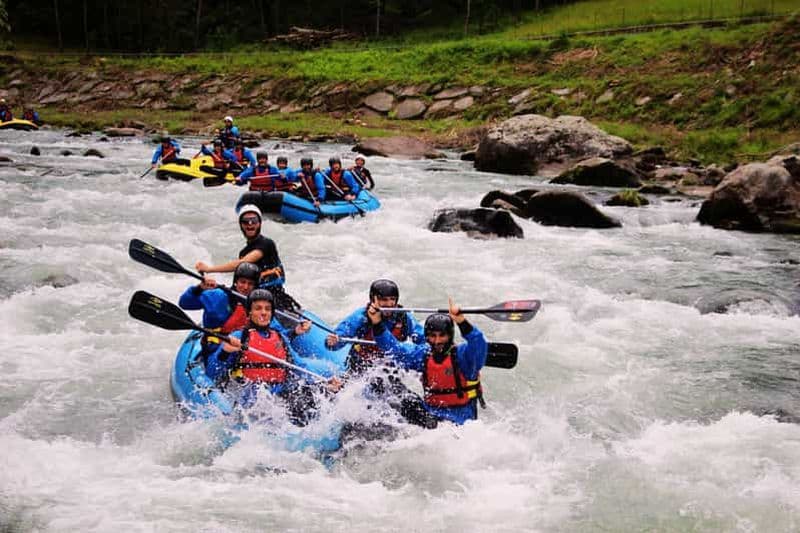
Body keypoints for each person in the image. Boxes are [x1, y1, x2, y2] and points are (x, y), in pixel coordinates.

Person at [207, 289, 337, 425]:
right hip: (255, 401)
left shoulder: (280, 337)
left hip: (280, 395)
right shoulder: (239, 337)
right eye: (258, 308)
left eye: (267, 309)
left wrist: (323, 383)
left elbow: (299, 367)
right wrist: (225, 352)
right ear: (249, 312)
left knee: (321, 396)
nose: (263, 312)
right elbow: (212, 372)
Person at [367, 298, 487, 426]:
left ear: (450, 335)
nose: (437, 341)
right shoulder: (424, 354)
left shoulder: (464, 356)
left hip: (460, 420)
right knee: (396, 393)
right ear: (426, 336)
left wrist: (462, 322)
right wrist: (377, 323)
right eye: (432, 336)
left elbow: (478, 343)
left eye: (442, 335)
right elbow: (395, 349)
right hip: (430, 414)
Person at [195, 204, 298, 311]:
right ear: (240, 224)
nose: (250, 224)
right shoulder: (243, 252)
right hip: (251, 298)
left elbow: (241, 263)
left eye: (253, 220)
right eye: (245, 221)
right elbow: (239, 282)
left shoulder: (267, 244)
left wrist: (209, 269)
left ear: (260, 223)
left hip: (273, 297)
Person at [326, 279, 424, 375]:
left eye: (392, 299)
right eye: (383, 300)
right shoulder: (361, 317)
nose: (389, 304)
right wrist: (333, 342)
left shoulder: (403, 317)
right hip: (362, 364)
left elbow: (423, 338)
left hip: (390, 365)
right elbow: (340, 337)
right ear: (373, 299)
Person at [178, 262, 262, 362]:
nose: (245, 287)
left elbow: (272, 325)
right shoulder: (217, 296)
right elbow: (184, 303)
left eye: (250, 284)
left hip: (243, 346)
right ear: (236, 282)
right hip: (215, 346)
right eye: (242, 282)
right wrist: (198, 289)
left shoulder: (259, 304)